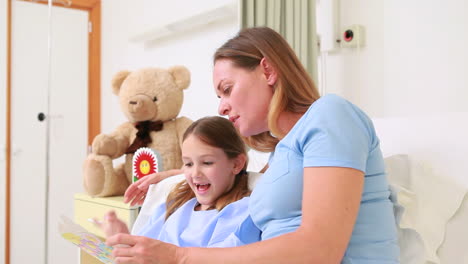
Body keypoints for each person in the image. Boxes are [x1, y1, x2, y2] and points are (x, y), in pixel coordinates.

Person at [108, 26, 399, 263]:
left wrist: (178, 256)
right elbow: (234, 172)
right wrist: (170, 177)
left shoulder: (331, 115)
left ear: (268, 71)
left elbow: (320, 250)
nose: (222, 107)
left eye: (227, 90)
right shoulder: (282, 152)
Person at [96, 116, 261, 248]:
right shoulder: (175, 204)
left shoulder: (239, 213)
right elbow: (141, 252)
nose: (195, 173)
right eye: (188, 164)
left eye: (207, 163)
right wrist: (123, 241)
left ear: (237, 164)